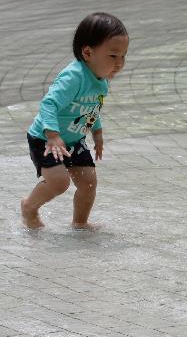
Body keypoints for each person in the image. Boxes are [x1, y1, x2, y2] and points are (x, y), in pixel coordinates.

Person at [20, 13, 129, 230]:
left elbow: (92, 108)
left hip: (74, 139)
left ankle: (80, 223)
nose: (119, 63)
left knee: (89, 182)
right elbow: (49, 104)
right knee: (59, 183)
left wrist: (97, 134)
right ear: (88, 53)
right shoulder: (74, 77)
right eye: (113, 56)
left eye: (124, 56)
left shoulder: (101, 81)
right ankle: (29, 207)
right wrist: (52, 135)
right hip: (46, 138)